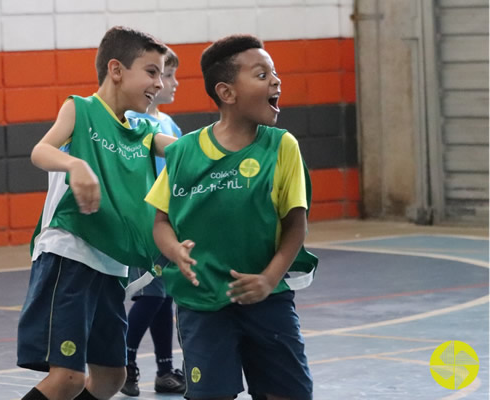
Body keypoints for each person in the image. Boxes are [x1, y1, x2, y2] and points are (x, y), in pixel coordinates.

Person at [145, 34, 318, 400]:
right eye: (261, 74)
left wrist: (269, 279)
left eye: (274, 72)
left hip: (267, 300)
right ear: (227, 93)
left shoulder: (282, 146)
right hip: (202, 303)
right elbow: (161, 221)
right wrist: (175, 251)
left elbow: (295, 223)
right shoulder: (184, 152)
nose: (275, 81)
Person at [17, 26, 175, 400]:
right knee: (67, 378)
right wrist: (75, 165)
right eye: (152, 71)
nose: (159, 82)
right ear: (117, 70)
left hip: (111, 266)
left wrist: (234, 148)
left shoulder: (145, 130)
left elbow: (188, 151)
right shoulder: (80, 108)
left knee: (111, 378)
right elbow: (41, 151)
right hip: (69, 256)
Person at [120, 48, 185, 396]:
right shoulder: (135, 124)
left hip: (168, 222)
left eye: (170, 75)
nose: (171, 83)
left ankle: (163, 369)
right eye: (164, 75)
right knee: (150, 294)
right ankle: (124, 362)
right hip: (145, 225)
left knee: (164, 297)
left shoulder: (169, 124)